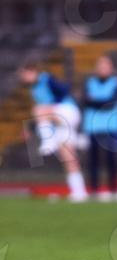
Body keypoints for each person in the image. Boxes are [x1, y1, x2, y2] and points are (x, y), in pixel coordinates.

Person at [18, 60, 88, 202]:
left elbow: (64, 90)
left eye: (24, 74)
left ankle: (48, 142)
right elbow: (42, 117)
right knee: (68, 157)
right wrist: (28, 129)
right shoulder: (33, 90)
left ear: (32, 71)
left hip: (67, 111)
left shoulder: (47, 78)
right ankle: (79, 193)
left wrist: (52, 104)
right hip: (57, 121)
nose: (23, 78)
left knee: (39, 110)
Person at [82, 55, 117, 199]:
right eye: (100, 66)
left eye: (105, 66)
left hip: (111, 127)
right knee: (93, 160)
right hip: (93, 127)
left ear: (111, 68)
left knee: (112, 160)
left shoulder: (116, 83)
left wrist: (95, 101)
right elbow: (85, 100)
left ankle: (114, 190)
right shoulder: (89, 82)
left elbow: (111, 103)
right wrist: (102, 102)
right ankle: (94, 190)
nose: (103, 69)